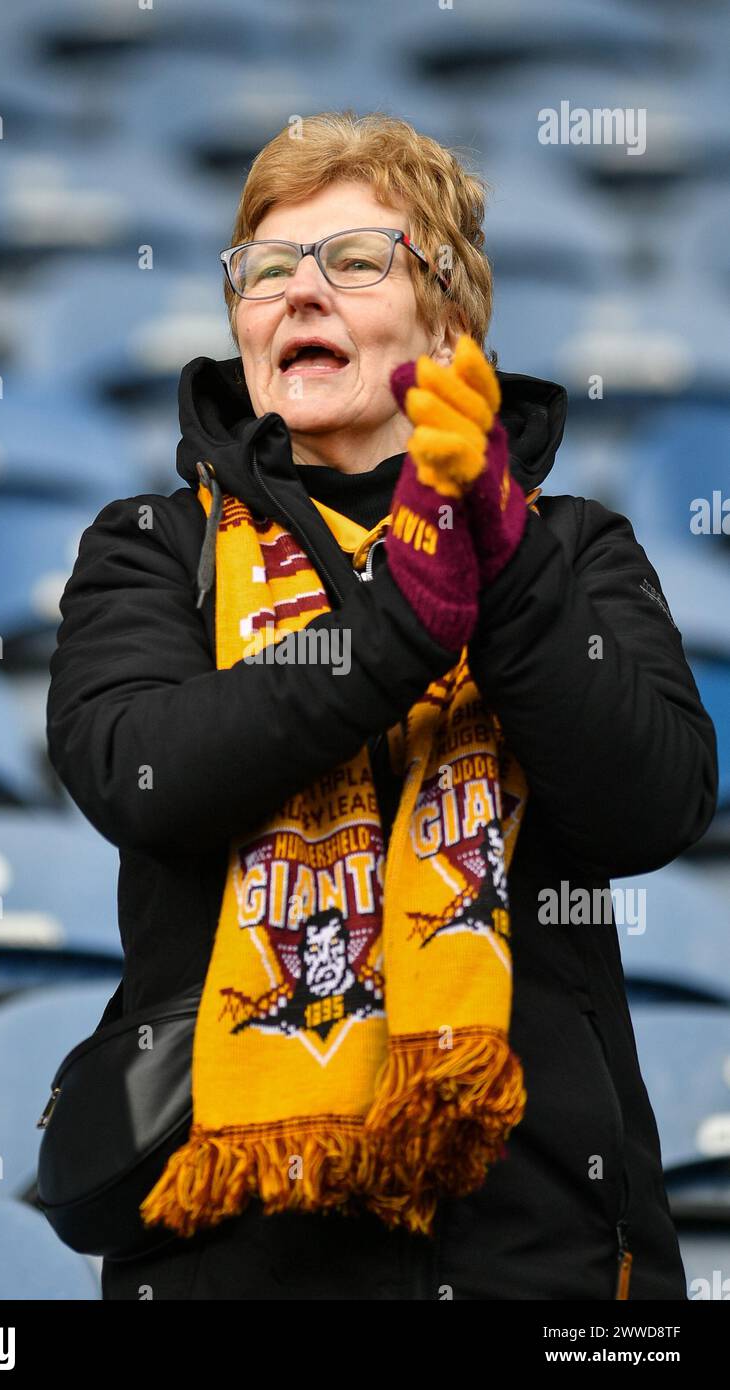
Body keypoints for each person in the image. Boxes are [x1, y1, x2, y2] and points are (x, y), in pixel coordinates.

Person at [46, 111, 718, 1301]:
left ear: (448, 315)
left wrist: (501, 568)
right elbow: (138, 771)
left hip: (541, 1244)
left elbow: (649, 802)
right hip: (236, 1254)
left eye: (353, 260)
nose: (299, 292)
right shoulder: (154, 547)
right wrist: (403, 621)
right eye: (265, 268)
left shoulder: (574, 548)